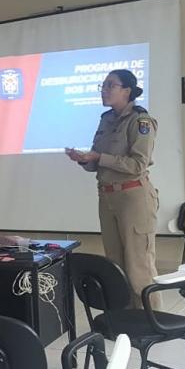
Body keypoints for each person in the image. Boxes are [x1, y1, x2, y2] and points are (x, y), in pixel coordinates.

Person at [66, 69, 159, 305]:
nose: (104, 90)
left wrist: (100, 157)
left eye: (111, 85)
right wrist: (84, 160)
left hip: (133, 198)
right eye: (103, 86)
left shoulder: (141, 121)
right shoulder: (106, 119)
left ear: (127, 91)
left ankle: (152, 319)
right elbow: (98, 161)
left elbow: (138, 164)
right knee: (115, 267)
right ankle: (125, 319)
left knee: (139, 268)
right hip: (107, 197)